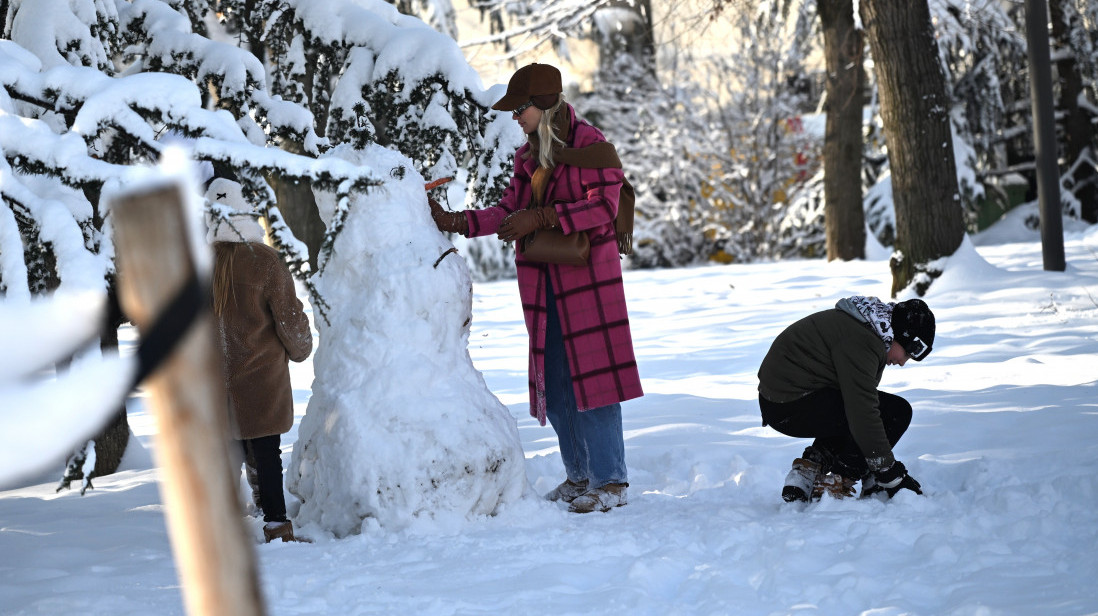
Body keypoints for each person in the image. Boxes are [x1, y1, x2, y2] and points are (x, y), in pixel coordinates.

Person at [430, 63, 643, 513]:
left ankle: (610, 483)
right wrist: (456, 222)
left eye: (519, 108)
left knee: (595, 381)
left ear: (543, 105)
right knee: (561, 382)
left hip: (588, 285)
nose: (514, 117)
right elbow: (509, 209)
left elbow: (603, 209)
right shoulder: (530, 155)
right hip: (544, 285)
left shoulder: (592, 145)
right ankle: (579, 474)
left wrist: (545, 217)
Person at [206, 178, 313, 541]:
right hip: (261, 378)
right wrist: (300, 349)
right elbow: (289, 317)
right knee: (266, 453)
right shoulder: (264, 261)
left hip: (213, 379)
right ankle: (276, 524)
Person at [757, 295, 935, 502]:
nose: (904, 362)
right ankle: (840, 480)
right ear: (902, 335)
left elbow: (852, 399)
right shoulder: (863, 341)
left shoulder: (865, 327)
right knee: (895, 412)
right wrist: (889, 472)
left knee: (858, 407)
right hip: (792, 405)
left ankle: (810, 466)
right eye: (909, 352)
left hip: (784, 402)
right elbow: (863, 412)